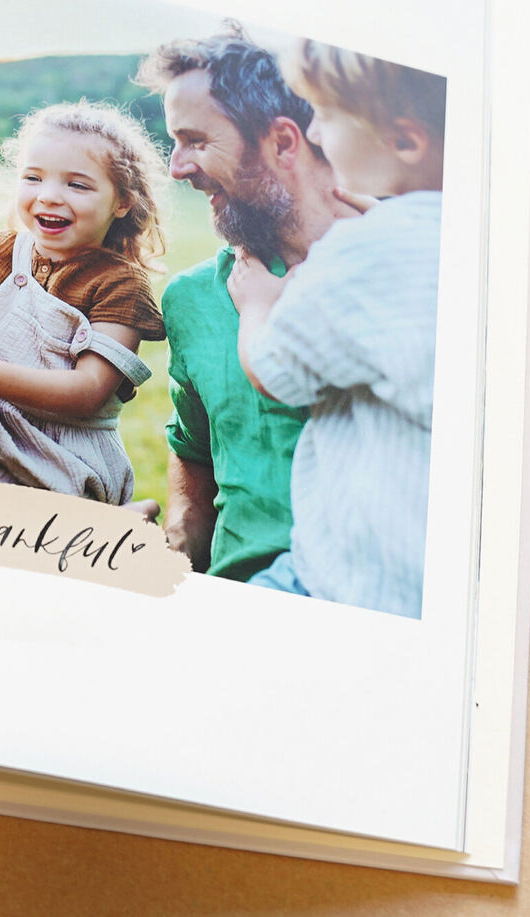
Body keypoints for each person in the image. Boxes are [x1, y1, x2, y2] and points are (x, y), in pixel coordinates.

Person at [225, 41, 447, 617]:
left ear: (404, 140)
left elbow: (275, 371)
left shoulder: (364, 252)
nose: (317, 132)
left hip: (345, 581)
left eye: (324, 114)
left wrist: (258, 304)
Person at [134, 27, 357, 581]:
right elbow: (195, 447)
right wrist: (179, 542)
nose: (176, 167)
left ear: (283, 142)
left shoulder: (402, 269)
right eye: (173, 142)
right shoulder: (190, 299)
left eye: (195, 140)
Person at [0, 101, 167, 507]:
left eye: (77, 185)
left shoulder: (122, 285)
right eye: (33, 177)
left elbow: (88, 391)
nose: (50, 196)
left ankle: (117, 527)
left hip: (64, 467)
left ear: (122, 202)